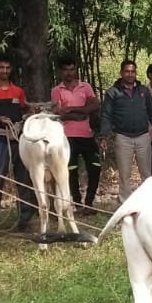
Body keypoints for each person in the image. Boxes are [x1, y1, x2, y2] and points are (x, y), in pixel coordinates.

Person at [0, 52, 36, 230]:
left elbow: (24, 107)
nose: (4, 71)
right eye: (1, 67)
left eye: (7, 67)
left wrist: (32, 110)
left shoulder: (18, 91)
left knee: (23, 179)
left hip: (18, 139)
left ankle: (25, 219)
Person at [100, 60, 152, 205]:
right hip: (123, 137)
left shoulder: (143, 91)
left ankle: (148, 203)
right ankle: (126, 205)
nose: (130, 74)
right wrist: (103, 136)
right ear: (121, 73)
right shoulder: (113, 92)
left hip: (143, 137)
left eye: (133, 71)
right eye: (127, 71)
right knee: (124, 174)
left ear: (136, 73)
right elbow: (106, 115)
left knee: (146, 173)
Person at [51, 58, 102, 214]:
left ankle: (89, 203)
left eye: (72, 69)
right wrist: (81, 112)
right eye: (66, 69)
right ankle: (78, 204)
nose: (69, 73)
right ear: (61, 71)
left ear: (76, 70)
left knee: (95, 167)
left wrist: (72, 109)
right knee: (71, 171)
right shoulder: (56, 90)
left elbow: (95, 105)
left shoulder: (85, 87)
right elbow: (58, 113)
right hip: (67, 137)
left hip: (86, 135)